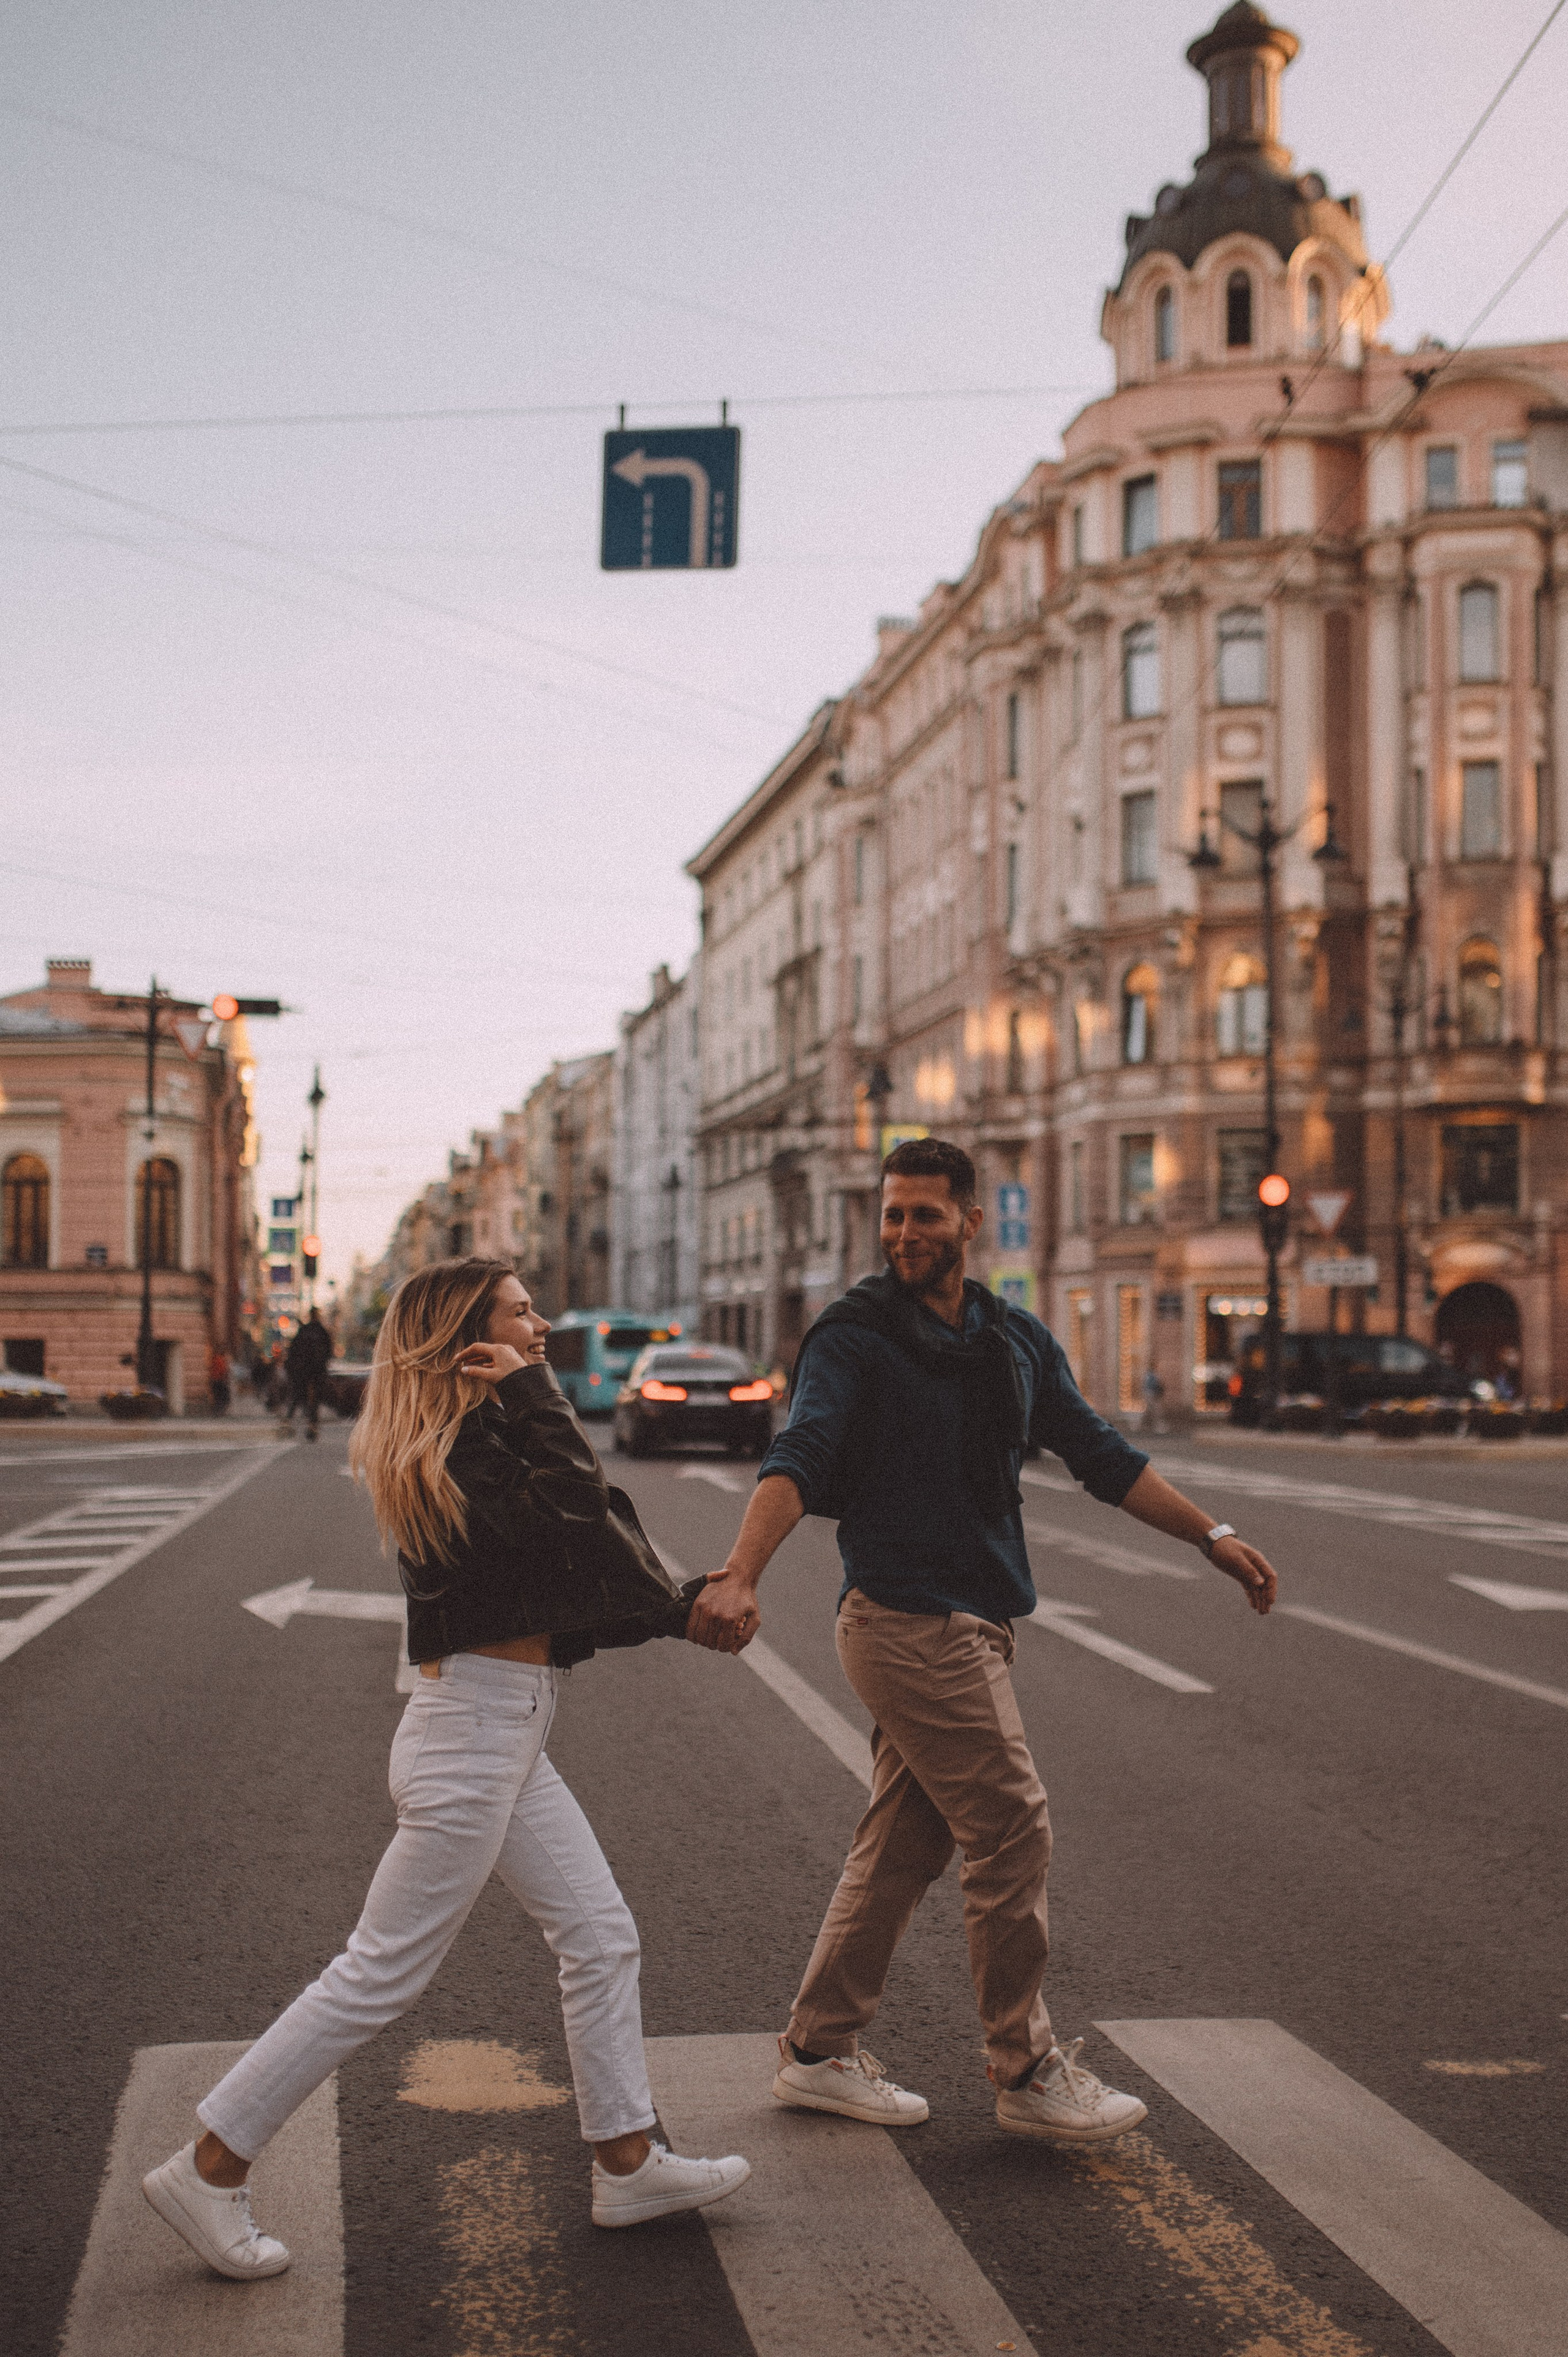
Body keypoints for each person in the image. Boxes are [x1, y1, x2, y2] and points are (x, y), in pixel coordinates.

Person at [143, 1257, 748, 2280]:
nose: (543, 1320)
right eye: (522, 1311)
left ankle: (628, 2159)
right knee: (379, 1972)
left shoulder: (478, 1434)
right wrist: (530, 1388)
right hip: (471, 1735)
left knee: (600, 1934)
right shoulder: (465, 1441)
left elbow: (574, 1567)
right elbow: (574, 1512)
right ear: (472, 1334)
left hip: (500, 1728)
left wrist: (680, 1608)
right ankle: (209, 2165)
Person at [688, 1137, 1278, 2148]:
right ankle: (1027, 2064)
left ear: (972, 1219)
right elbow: (801, 1451)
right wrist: (741, 1570)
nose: (905, 1231)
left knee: (905, 1841)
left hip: (976, 1618)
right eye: (892, 1214)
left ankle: (819, 2048)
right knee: (1012, 1824)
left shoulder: (1010, 1338)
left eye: (926, 1213)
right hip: (908, 1617)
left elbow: (1100, 1453)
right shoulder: (854, 1334)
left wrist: (1211, 1534)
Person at [283, 1307, 333, 1439]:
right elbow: (329, 1351)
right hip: (317, 1371)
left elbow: (293, 1351)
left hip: (303, 1371)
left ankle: (289, 1421)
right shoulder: (322, 1332)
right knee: (315, 1398)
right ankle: (312, 1425)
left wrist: (293, 1368)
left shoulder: (304, 1331)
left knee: (298, 1395)